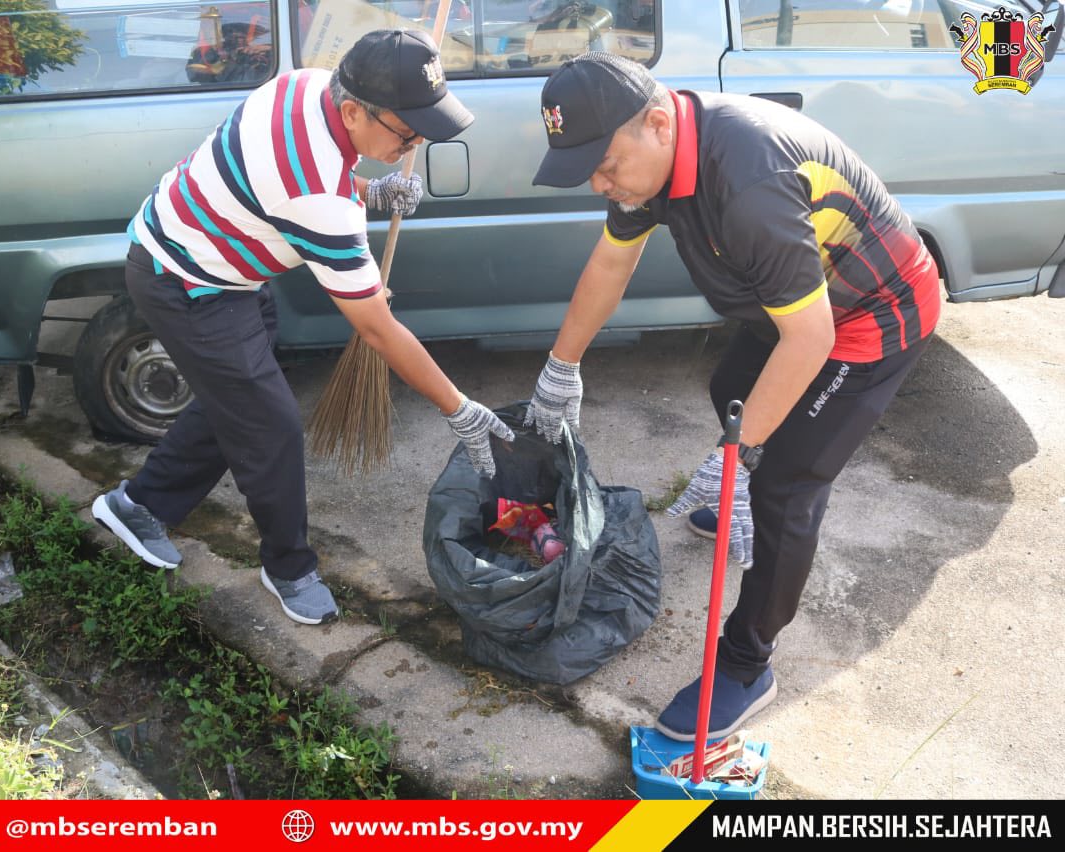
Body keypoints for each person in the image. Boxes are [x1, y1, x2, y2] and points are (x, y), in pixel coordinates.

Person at [525, 53, 939, 740]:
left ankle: (748, 665)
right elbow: (610, 263)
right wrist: (560, 367)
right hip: (791, 308)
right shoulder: (650, 165)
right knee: (730, 389)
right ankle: (739, 493)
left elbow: (809, 341)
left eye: (605, 165)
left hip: (868, 318)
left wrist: (739, 456)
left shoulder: (747, 176)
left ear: (658, 124)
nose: (600, 184)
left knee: (786, 484)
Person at [94, 30, 514, 626]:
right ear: (353, 110)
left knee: (236, 398)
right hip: (188, 282)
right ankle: (288, 566)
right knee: (271, 428)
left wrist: (372, 188)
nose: (417, 142)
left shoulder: (305, 85)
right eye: (408, 131)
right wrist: (459, 408)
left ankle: (137, 504)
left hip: (213, 258)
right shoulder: (318, 198)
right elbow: (376, 327)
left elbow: (308, 178)